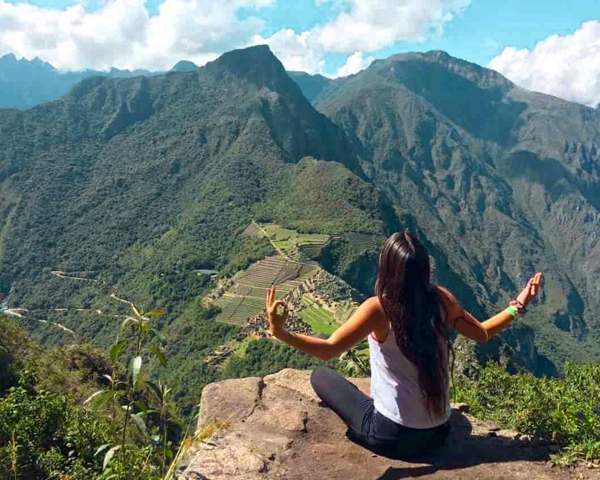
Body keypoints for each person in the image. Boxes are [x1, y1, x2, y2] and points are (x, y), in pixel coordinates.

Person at [265, 231, 542, 460]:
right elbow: (482, 333)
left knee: (321, 376)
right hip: (439, 433)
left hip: (393, 436)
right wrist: (519, 305)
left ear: (388, 268)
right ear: (424, 270)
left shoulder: (379, 308)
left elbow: (328, 350)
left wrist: (281, 332)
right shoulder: (441, 300)